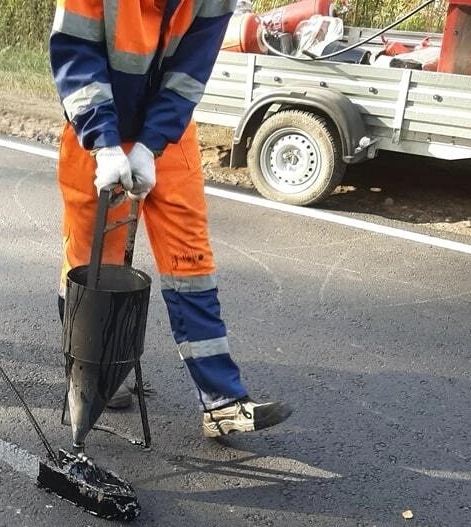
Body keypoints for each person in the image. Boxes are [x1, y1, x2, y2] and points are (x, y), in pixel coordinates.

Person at [49, 0, 293, 438]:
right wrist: (104, 143)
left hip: (170, 136)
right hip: (94, 133)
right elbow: (76, 53)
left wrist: (151, 144)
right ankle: (89, 381)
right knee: (91, 267)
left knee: (191, 262)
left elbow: (190, 71)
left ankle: (222, 403)